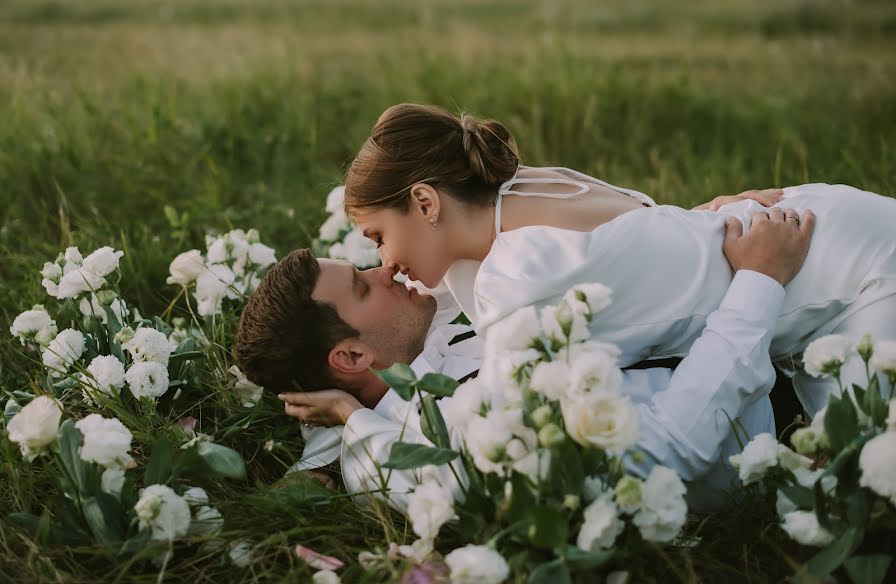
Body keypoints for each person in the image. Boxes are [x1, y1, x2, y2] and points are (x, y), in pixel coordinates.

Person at [234, 206, 813, 512]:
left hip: (767, 326)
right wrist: (759, 282)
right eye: (362, 286)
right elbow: (678, 439)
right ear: (352, 354)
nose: (382, 268)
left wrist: (695, 227)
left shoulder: (425, 347)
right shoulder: (440, 444)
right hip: (782, 424)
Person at [343, 103, 896, 417]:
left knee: (865, 477)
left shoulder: (518, 273)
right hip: (818, 226)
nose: (385, 263)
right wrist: (701, 216)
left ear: (423, 201)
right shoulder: (528, 188)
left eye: (378, 237)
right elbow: (644, 245)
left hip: (847, 276)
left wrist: (358, 418)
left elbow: (504, 414)